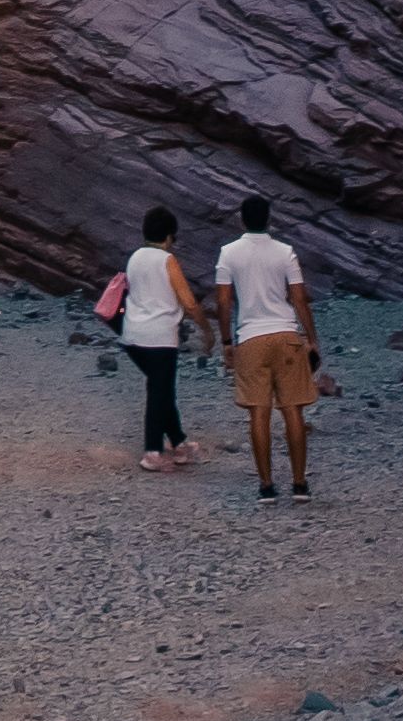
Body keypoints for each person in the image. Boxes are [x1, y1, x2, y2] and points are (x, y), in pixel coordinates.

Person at [216, 195, 320, 496]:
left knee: (258, 413)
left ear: (241, 219)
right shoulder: (285, 253)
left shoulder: (228, 254)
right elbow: (299, 299)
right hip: (286, 336)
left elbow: (223, 301)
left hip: (250, 338)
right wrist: (312, 339)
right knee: (293, 411)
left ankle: (266, 486)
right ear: (269, 219)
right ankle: (300, 484)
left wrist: (226, 341)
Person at [110, 205, 199, 464]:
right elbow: (189, 301)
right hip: (160, 337)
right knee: (159, 390)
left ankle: (179, 442)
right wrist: (206, 328)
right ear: (169, 236)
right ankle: (152, 451)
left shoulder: (134, 257)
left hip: (132, 336)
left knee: (161, 388)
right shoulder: (167, 260)